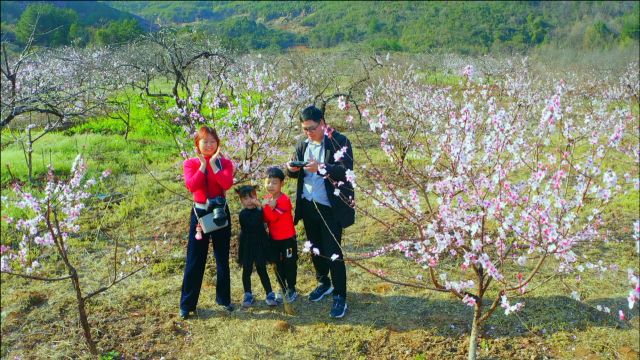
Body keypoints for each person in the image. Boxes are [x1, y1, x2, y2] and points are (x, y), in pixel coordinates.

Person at [286, 105, 355, 318]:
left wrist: (322, 168)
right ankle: (323, 282)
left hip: (330, 207)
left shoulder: (339, 141)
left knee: (333, 250)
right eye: (305, 129)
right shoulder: (302, 145)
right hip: (308, 205)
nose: (309, 133)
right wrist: (291, 169)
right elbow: (293, 175)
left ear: (323, 123)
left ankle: (340, 295)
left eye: (312, 128)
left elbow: (346, 171)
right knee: (315, 247)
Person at [180, 126, 234, 319]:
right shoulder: (190, 163)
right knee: (195, 260)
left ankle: (224, 299)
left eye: (213, 141)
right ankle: (187, 305)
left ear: (218, 144)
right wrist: (203, 165)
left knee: (222, 258)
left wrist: (213, 165)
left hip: (220, 213)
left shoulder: (225, 163)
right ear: (197, 144)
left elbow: (226, 184)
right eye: (205, 141)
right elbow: (191, 186)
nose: (209, 145)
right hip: (199, 214)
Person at [235, 185, 279, 308]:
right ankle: (248, 294)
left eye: (252, 197)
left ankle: (269, 293)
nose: (249, 201)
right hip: (247, 244)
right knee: (247, 269)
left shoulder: (260, 210)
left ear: (256, 197)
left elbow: (267, 217)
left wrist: (261, 206)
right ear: (241, 201)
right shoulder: (243, 214)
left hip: (260, 243)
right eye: (245, 199)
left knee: (261, 268)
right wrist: (260, 207)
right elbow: (254, 222)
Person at [262, 167, 298, 303]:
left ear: (282, 183)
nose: (270, 185)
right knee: (277, 263)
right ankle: (281, 286)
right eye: (268, 182)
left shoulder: (284, 200)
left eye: (275, 182)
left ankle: (292, 288)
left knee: (290, 263)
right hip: (274, 238)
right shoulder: (266, 198)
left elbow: (273, 218)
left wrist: (269, 208)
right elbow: (265, 219)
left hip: (287, 238)